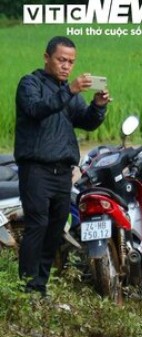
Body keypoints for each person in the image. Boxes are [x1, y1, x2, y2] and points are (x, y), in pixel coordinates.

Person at [14, 36, 109, 296]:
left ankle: (40, 286)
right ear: (47, 58)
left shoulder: (69, 91)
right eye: (61, 60)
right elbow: (36, 109)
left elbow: (86, 121)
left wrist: (98, 106)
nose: (66, 66)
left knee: (56, 229)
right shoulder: (29, 84)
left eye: (71, 62)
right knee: (38, 224)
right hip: (36, 169)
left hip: (62, 172)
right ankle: (27, 288)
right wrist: (70, 90)